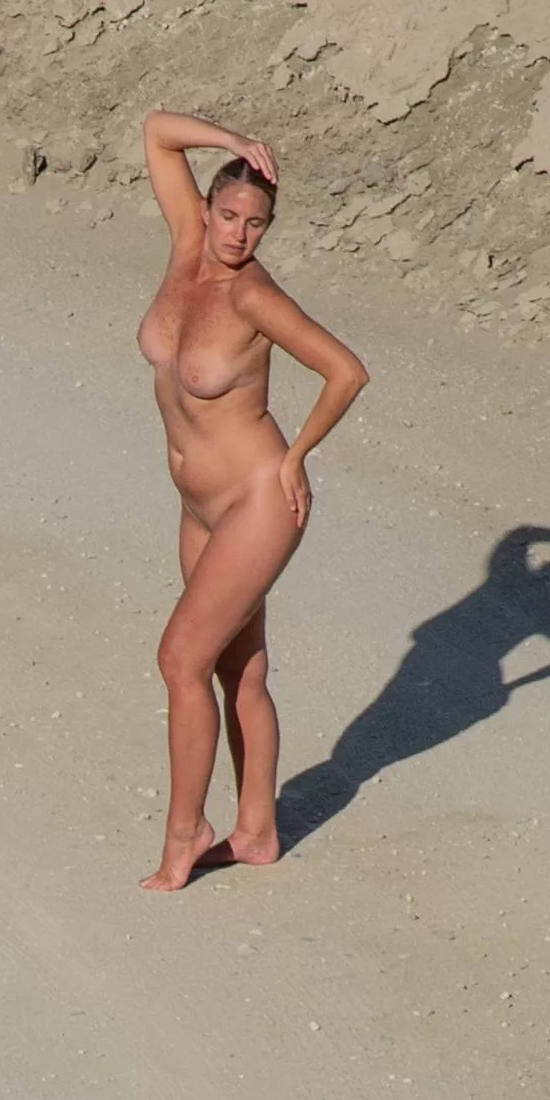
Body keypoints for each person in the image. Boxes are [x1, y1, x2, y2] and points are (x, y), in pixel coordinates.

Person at [134, 110, 368, 892]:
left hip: (256, 500)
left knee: (179, 660)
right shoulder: (184, 248)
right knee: (239, 668)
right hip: (196, 505)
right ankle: (258, 831)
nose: (238, 235)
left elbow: (345, 370)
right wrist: (232, 145)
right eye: (229, 216)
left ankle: (185, 832)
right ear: (207, 210)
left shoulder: (253, 297)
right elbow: (157, 132)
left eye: (255, 225)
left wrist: (298, 454)